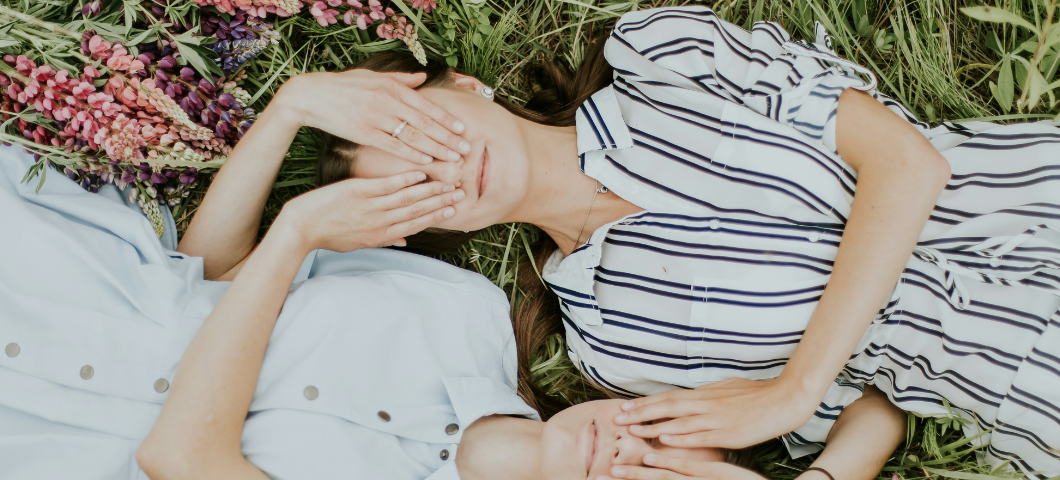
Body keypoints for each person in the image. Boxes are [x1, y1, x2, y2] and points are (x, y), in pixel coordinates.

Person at [314, 6, 1060, 478]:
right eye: (412, 182)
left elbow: (907, 160)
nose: (444, 165)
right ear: (426, 227)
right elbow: (873, 403)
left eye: (419, 133)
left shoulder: (660, 57)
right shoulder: (612, 345)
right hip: (1013, 369)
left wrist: (790, 393)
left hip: (1024, 190)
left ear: (463, 86)